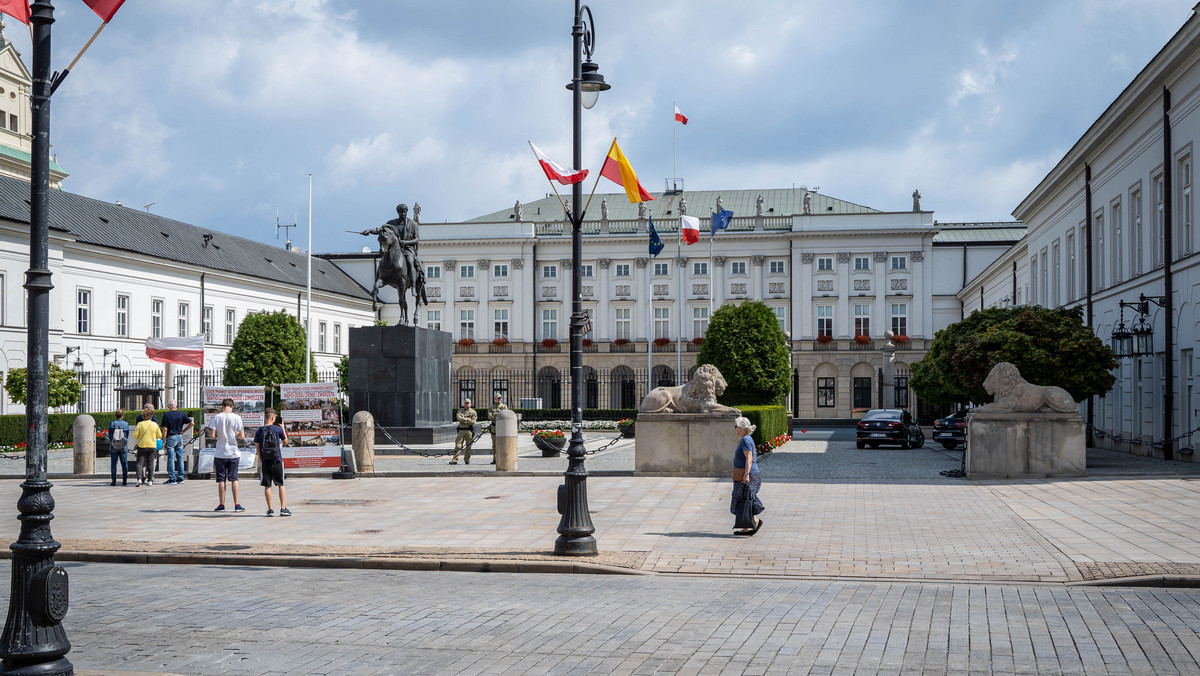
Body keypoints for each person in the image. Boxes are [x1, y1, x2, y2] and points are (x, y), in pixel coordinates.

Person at [208, 397, 246, 512]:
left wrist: (220, 435)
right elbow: (242, 436)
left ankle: (222, 505)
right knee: (234, 479)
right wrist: (237, 434)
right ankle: (237, 504)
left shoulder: (217, 417)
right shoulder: (237, 418)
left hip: (220, 452)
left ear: (222, 406)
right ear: (232, 407)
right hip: (233, 452)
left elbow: (212, 436)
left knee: (221, 479)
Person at [254, 407, 290, 517]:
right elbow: (285, 442)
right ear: (273, 417)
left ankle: (270, 510)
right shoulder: (277, 429)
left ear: (265, 418)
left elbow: (257, 447)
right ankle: (283, 508)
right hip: (277, 460)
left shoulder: (259, 431)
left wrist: (260, 458)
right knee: (281, 484)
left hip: (265, 461)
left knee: (267, 486)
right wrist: (283, 428)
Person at [731, 416, 764, 535]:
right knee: (743, 498)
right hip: (745, 474)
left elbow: (749, 457)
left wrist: (747, 474)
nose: (734, 429)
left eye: (735, 427)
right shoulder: (746, 439)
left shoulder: (745, 440)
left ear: (740, 428)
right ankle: (747, 526)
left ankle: (754, 522)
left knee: (745, 498)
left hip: (749, 474)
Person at [161, 399, 194, 485]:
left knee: (171, 458)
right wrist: (183, 431)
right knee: (180, 457)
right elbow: (192, 423)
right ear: (176, 406)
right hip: (179, 437)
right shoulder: (181, 414)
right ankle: (180, 478)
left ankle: (172, 478)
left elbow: (165, 429)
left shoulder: (166, 415)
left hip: (171, 437)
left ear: (168, 406)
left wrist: (163, 440)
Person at [132, 407, 162, 487]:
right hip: (152, 445)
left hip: (142, 445)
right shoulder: (154, 424)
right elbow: (160, 435)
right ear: (151, 416)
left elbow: (135, 435)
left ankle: (139, 479)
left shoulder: (140, 424)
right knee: (150, 462)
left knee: (139, 463)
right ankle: (150, 480)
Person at [449, 398, 477, 465]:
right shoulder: (460, 411)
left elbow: (473, 421)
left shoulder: (473, 412)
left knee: (468, 447)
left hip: (469, 431)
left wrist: (463, 420)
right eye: (465, 403)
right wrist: (467, 419)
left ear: (470, 404)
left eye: (468, 403)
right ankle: (455, 460)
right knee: (458, 446)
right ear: (464, 404)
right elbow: (459, 419)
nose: (467, 404)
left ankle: (467, 459)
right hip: (461, 430)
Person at [107, 409, 130, 486]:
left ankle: (113, 481)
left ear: (115, 415)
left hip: (114, 445)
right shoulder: (125, 424)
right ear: (122, 416)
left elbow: (110, 435)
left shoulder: (112, 424)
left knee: (114, 464)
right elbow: (127, 435)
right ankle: (125, 481)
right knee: (124, 463)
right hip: (123, 446)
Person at [487, 393, 507, 465]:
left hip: (502, 427)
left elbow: (505, 415)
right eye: (498, 398)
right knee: (494, 444)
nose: (499, 399)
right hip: (494, 428)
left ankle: (502, 459)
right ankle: (495, 459)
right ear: (495, 399)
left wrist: (495, 415)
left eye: (500, 398)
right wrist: (499, 415)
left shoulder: (504, 407)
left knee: (503, 443)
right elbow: (489, 416)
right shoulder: (491, 407)